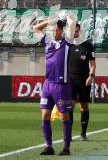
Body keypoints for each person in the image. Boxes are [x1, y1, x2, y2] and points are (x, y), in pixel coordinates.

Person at [33, 12, 76, 156]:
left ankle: (66, 147)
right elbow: (36, 28)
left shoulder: (67, 43)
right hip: (48, 85)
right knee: (45, 116)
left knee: (64, 117)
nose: (53, 32)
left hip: (62, 85)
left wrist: (69, 17)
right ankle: (48, 146)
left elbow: (72, 24)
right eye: (52, 30)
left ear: (61, 31)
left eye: (55, 30)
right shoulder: (47, 41)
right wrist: (49, 21)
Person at [68, 23, 96, 141]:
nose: (75, 33)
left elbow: (93, 64)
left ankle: (83, 134)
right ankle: (67, 134)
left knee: (84, 106)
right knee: (70, 106)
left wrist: (91, 76)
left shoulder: (88, 45)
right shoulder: (67, 45)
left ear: (80, 31)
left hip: (84, 80)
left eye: (77, 31)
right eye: (73, 31)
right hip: (71, 80)